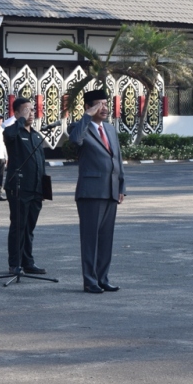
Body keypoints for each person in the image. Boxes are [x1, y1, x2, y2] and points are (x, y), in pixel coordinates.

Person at [68, 89, 126, 293]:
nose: (104, 108)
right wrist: (86, 116)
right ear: (88, 107)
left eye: (105, 104)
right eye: (98, 105)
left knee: (105, 239)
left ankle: (103, 278)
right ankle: (90, 281)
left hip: (110, 190)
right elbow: (75, 140)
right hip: (91, 192)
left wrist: (121, 186)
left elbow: (117, 159)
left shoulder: (110, 129)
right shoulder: (78, 127)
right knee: (90, 239)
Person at [2, 97, 47, 274]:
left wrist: (44, 188)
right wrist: (20, 121)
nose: (31, 113)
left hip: (35, 188)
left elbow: (41, 162)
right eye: (26, 110)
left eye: (32, 110)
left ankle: (28, 261)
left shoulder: (35, 135)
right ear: (17, 113)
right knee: (18, 226)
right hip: (19, 187)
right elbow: (10, 135)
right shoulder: (13, 132)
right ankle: (15, 263)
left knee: (29, 227)